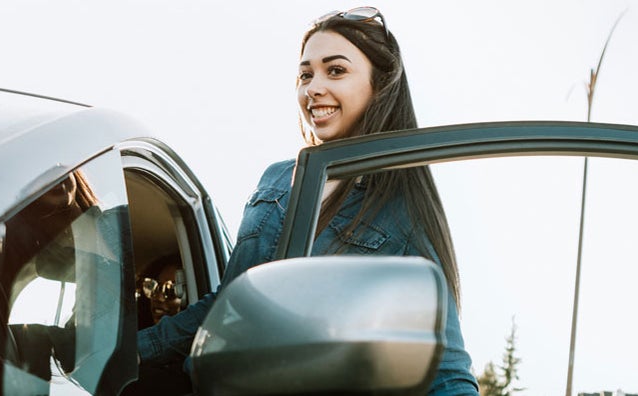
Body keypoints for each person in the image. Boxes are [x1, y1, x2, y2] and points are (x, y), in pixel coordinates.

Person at [132, 6, 479, 395]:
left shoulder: (402, 212)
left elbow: (447, 370)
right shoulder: (276, 179)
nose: (313, 88)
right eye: (305, 74)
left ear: (380, 86)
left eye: (336, 70)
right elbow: (224, 307)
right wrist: (124, 351)